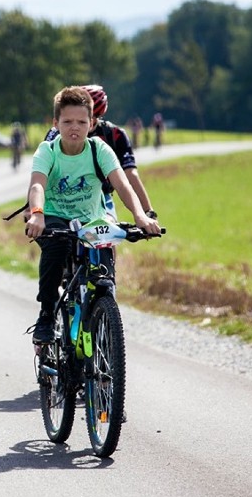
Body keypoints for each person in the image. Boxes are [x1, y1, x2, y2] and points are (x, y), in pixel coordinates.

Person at [24, 86, 161, 344]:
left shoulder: (100, 149)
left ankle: (102, 313)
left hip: (92, 218)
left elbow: (123, 185)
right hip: (53, 217)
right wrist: (37, 215)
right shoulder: (47, 150)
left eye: (81, 122)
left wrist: (141, 217)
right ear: (56, 123)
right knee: (57, 247)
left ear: (92, 123)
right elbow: (37, 185)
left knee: (104, 264)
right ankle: (46, 314)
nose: (74, 127)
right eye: (67, 122)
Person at [43, 84, 157, 221]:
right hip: (59, 201)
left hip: (101, 197)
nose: (76, 127)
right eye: (69, 121)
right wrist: (31, 209)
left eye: (85, 120)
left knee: (107, 230)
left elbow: (129, 176)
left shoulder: (115, 135)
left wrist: (147, 212)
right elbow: (41, 174)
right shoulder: (56, 133)